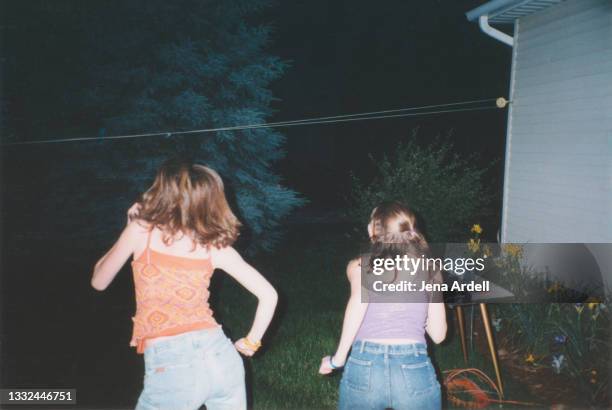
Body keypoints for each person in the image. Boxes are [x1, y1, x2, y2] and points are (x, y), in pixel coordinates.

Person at [91, 158, 278, 410]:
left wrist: (127, 229)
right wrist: (251, 342)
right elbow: (269, 295)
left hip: (173, 365)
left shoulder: (140, 231)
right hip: (222, 357)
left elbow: (99, 281)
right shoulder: (216, 246)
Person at [319, 201, 447, 410]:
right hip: (413, 366)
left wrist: (337, 359)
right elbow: (439, 335)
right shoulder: (430, 270)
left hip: (364, 364)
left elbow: (357, 306)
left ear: (373, 231)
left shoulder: (359, 265)